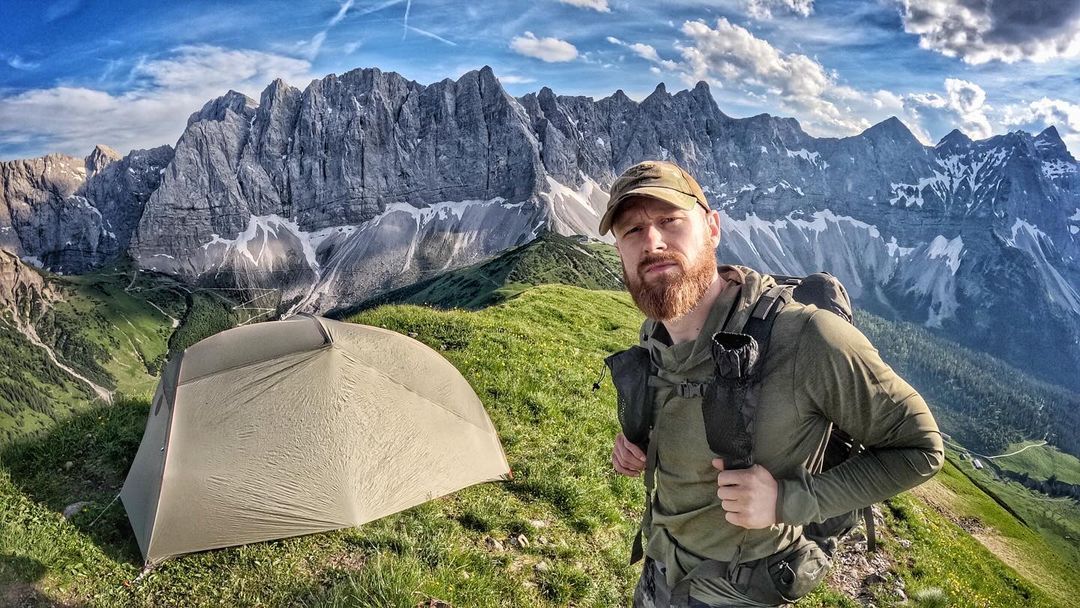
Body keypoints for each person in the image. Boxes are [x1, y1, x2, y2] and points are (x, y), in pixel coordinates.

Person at [602, 160, 944, 608]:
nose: (653, 242)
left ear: (712, 227)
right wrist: (638, 446)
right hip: (659, 569)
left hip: (736, 593)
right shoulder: (655, 331)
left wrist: (788, 500)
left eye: (669, 220)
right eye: (632, 231)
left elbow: (922, 448)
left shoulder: (806, 337)